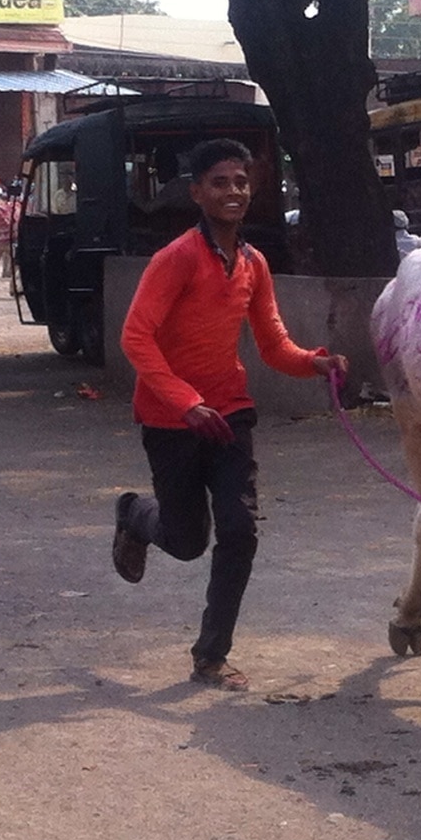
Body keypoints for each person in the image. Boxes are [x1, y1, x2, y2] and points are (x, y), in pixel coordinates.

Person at [113, 138, 348, 691]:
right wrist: (183, 400)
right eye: (219, 182)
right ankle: (133, 514)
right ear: (197, 193)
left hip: (230, 416)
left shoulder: (254, 263)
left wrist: (316, 363)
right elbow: (135, 336)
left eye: (241, 181)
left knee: (240, 532)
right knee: (189, 542)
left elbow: (272, 345)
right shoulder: (175, 260)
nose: (233, 191)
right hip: (171, 421)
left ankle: (211, 656)